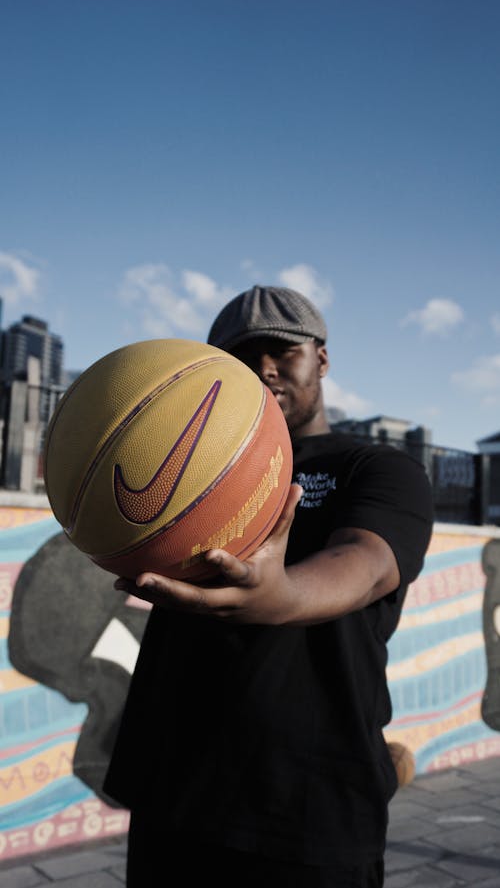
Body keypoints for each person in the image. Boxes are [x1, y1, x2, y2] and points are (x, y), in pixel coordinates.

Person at [104, 285, 433, 888]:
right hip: (173, 793)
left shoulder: (376, 468)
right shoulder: (186, 474)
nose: (262, 367)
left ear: (322, 360)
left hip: (308, 806)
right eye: (241, 356)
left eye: (283, 350)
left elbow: (367, 561)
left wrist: (283, 596)